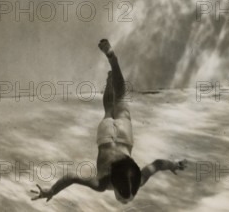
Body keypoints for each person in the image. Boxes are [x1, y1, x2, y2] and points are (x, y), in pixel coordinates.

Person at [31, 39, 187, 203]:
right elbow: (72, 176)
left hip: (124, 135)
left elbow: (158, 164)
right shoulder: (101, 184)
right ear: (116, 186)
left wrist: (173, 165)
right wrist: (52, 191)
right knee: (107, 110)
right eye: (124, 198)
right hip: (105, 136)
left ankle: (113, 62)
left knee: (119, 98)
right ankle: (109, 78)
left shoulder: (139, 179)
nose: (125, 201)